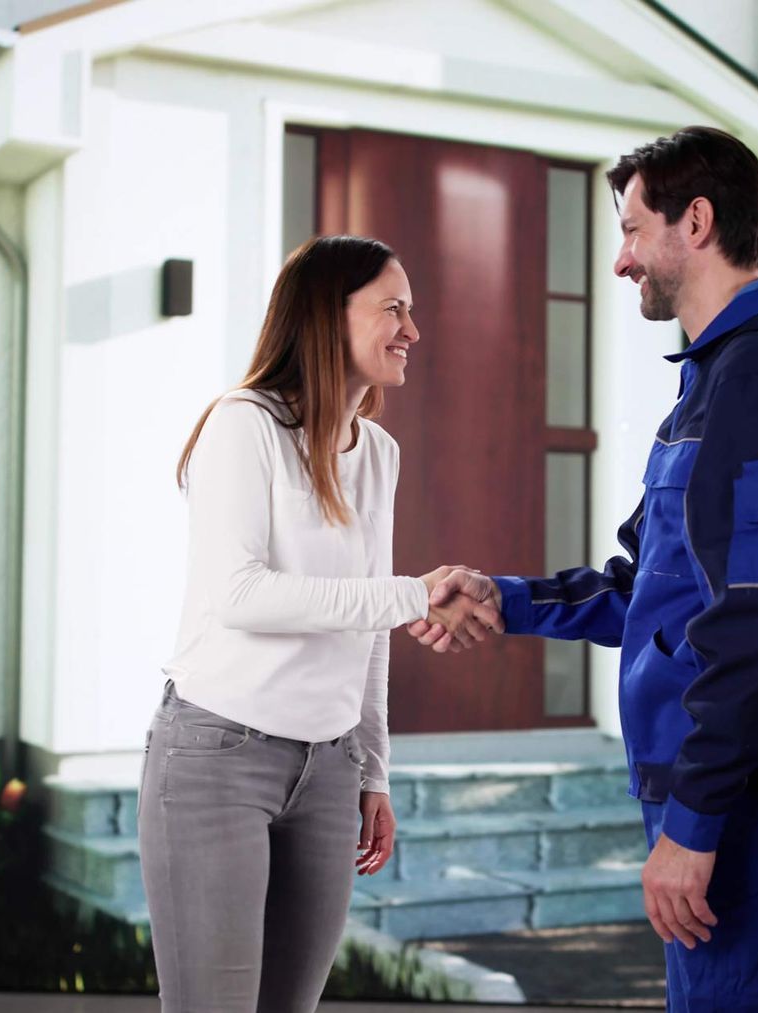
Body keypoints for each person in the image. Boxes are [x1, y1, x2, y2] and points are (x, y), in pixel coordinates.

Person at [414, 126, 758, 1011]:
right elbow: (649, 585)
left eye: (630, 229)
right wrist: (503, 599)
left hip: (730, 805)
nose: (620, 260)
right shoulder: (715, 381)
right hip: (703, 796)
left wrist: (694, 827)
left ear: (695, 223)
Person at [142, 234, 498, 1012]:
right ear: (326, 318)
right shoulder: (244, 425)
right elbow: (242, 595)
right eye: (392, 308)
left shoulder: (378, 453)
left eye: (411, 310)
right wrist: (411, 594)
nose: (412, 328)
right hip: (217, 758)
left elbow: (364, 629)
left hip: (329, 771)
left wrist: (372, 768)